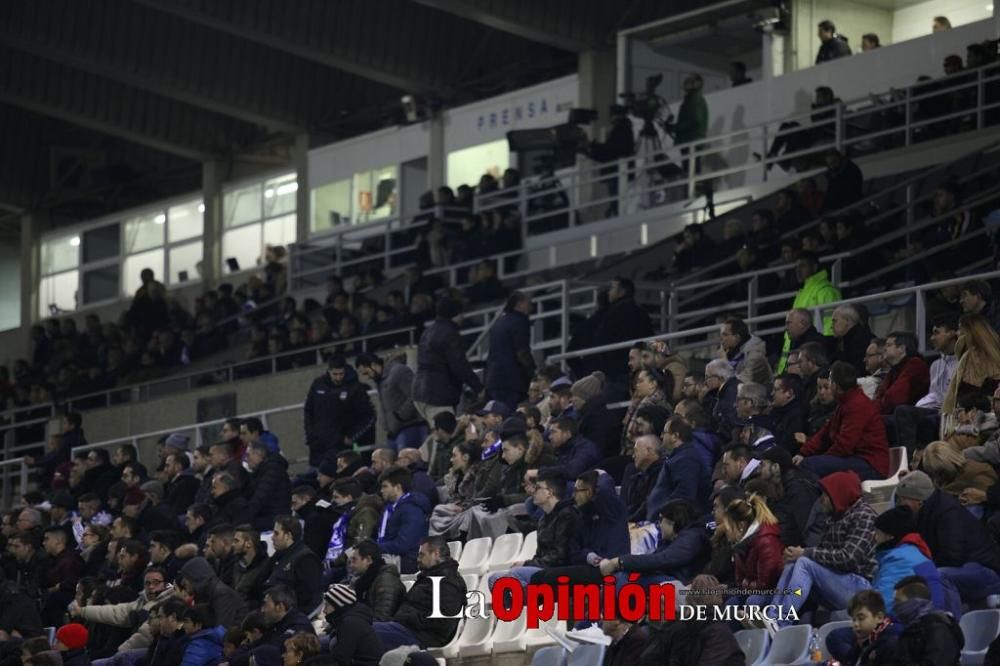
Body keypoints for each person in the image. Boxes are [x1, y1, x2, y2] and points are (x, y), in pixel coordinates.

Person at [763, 471, 876, 627]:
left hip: (859, 588)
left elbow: (848, 558)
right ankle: (772, 617)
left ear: (837, 494)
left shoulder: (864, 515)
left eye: (824, 495)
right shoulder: (834, 516)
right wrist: (796, 554)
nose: (820, 500)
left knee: (803, 562)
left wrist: (805, 553)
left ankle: (781, 621)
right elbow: (823, 555)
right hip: (838, 581)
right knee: (794, 562)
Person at [895, 470, 1000, 605]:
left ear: (918, 500)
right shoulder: (924, 511)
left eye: (904, 499)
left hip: (986, 570)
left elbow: (953, 556)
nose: (900, 504)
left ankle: (949, 618)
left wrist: (925, 568)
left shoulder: (947, 513)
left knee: (938, 575)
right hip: (966, 566)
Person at [795, 361, 890, 481]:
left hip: (870, 465)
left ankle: (822, 498)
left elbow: (845, 445)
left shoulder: (857, 405)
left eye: (830, 381)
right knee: (809, 462)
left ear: (836, 384)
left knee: (809, 465)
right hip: (857, 459)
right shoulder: (845, 403)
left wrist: (823, 459)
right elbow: (824, 434)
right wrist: (803, 453)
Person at [373, 537, 465, 651]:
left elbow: (444, 621)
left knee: (369, 633)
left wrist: (408, 617)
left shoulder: (449, 582)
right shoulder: (429, 576)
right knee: (362, 628)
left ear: (436, 554)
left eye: (422, 555)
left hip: (425, 637)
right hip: (409, 630)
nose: (418, 559)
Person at [412, 298, 484, 424]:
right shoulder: (450, 334)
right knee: (446, 436)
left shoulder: (427, 331)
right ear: (454, 314)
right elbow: (459, 366)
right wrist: (478, 388)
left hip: (420, 392)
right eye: (461, 313)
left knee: (438, 434)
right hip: (437, 395)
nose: (463, 316)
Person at [303, 355, 375, 468]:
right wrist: (310, 434)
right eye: (335, 374)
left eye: (341, 374)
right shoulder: (318, 384)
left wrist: (352, 437)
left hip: (340, 445)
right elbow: (308, 410)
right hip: (318, 445)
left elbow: (368, 415)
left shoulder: (354, 388)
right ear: (329, 371)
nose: (338, 378)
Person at [776, 255, 840, 373]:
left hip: (813, 358)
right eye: (796, 267)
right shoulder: (802, 293)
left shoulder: (825, 290)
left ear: (815, 266)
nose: (798, 270)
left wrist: (820, 351)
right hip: (796, 361)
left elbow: (829, 331)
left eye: (803, 265)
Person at [355, 352, 426, 452]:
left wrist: (400, 416)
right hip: (394, 433)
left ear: (373, 364)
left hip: (410, 427)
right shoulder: (380, 380)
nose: (367, 377)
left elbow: (415, 395)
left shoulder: (398, 371)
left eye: (366, 373)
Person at [891, 577, 964, 665]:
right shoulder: (911, 628)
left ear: (914, 602)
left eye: (898, 601)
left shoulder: (938, 628)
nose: (895, 606)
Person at [376, 466, 431, 575]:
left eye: (385, 486)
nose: (381, 491)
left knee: (366, 566)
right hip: (391, 556)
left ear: (397, 487)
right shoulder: (390, 509)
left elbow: (404, 545)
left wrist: (374, 548)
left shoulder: (412, 510)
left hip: (409, 561)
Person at [485, 291, 536, 407]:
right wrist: (533, 373)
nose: (531, 307)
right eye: (528, 303)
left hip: (493, 380)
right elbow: (522, 352)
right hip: (512, 381)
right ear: (519, 304)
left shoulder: (498, 323)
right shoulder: (520, 321)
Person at [264, 515, 323, 613]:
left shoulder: (306, 559)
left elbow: (305, 597)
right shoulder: (280, 554)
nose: (272, 538)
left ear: (288, 536)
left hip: (291, 614)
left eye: (276, 534)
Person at [322, 584, 384, 666]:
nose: (324, 610)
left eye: (327, 605)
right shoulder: (352, 618)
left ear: (339, 605)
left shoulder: (350, 623)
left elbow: (340, 659)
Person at [346, 540, 405, 622]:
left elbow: (381, 618)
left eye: (354, 560)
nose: (351, 565)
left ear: (368, 560)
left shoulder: (386, 581)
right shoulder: (364, 579)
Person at [873, 332, 929, 415]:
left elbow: (895, 397)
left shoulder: (915, 364)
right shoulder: (894, 370)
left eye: (889, 345)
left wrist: (872, 409)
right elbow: (880, 394)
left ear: (902, 348)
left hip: (912, 418)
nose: (884, 348)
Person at [719, 319, 771, 387]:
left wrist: (724, 362)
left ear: (737, 337)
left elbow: (740, 384)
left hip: (758, 395)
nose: (721, 338)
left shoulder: (755, 356)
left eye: (725, 335)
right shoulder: (731, 351)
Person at [820, 149, 864, 213]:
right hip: (837, 204)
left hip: (848, 204)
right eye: (829, 164)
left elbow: (850, 191)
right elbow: (830, 190)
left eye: (834, 162)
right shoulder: (833, 172)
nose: (832, 166)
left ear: (839, 159)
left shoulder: (851, 170)